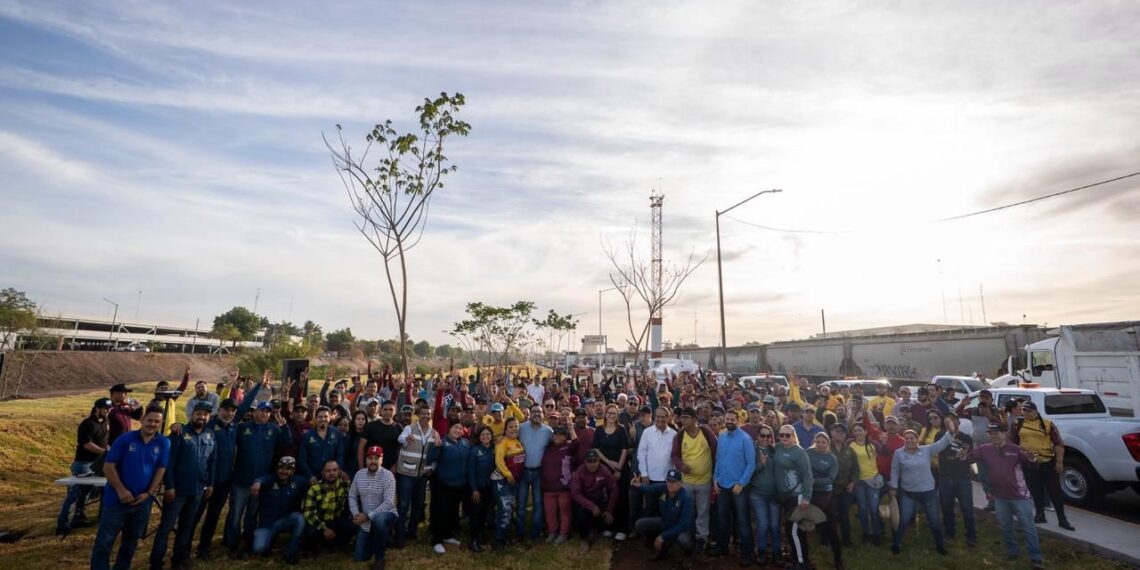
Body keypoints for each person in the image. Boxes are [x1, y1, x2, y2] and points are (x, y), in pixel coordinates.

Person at [90, 408, 170, 570]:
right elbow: (108, 467)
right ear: (142, 420)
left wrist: (149, 493)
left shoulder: (163, 442)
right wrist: (121, 490)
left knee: (131, 542)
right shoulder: (125, 439)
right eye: (150, 420)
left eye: (156, 421)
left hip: (142, 503)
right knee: (105, 542)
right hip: (116, 502)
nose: (152, 424)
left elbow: (161, 468)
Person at [965, 423, 1046, 570]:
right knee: (1006, 527)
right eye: (991, 433)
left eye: (996, 432)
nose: (993, 435)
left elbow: (1031, 465)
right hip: (999, 497)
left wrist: (1033, 459)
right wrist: (963, 455)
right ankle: (1012, 551)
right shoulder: (984, 449)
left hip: (1019, 496)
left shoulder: (1016, 450)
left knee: (1028, 527)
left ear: (1004, 433)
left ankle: (1036, 558)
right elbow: (969, 458)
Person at [227, 379, 292, 558]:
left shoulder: (273, 429)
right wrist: (256, 387)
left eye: (267, 411)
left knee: (251, 516)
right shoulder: (243, 428)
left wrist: (284, 426)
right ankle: (232, 545)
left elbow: (287, 443)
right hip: (240, 480)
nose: (265, 414)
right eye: (262, 410)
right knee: (235, 515)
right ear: (255, 412)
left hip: (260, 482)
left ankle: (247, 544)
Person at [149, 401, 217, 570]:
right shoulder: (179, 433)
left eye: (205, 414)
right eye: (199, 413)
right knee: (166, 527)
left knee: (187, 526)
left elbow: (212, 461)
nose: (202, 417)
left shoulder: (210, 435)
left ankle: (178, 561)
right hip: (177, 491)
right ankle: (156, 563)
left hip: (198, 491)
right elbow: (169, 463)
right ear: (192, 414)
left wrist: (210, 484)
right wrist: (170, 486)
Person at [1011, 401, 1075, 531]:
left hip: (1047, 461)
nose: (1026, 413)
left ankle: (1062, 519)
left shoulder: (1047, 424)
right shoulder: (1018, 423)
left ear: (1035, 411)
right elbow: (1013, 442)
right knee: (1035, 489)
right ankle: (1040, 515)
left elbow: (1058, 444)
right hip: (1029, 462)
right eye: (1024, 410)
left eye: (1029, 410)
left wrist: (1059, 462)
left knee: (1054, 491)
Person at [888, 428, 953, 555]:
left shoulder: (926, 450)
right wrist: (893, 487)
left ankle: (940, 546)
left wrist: (950, 432)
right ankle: (896, 544)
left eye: (912, 438)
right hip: (909, 494)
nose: (909, 440)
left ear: (917, 439)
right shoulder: (899, 453)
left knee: (934, 521)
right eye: (906, 438)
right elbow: (894, 470)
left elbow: (941, 444)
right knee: (904, 520)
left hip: (928, 493)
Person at [57, 397, 111, 535]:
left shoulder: (106, 421)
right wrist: (104, 452)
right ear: (97, 409)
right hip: (83, 463)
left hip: (99, 463)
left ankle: (79, 517)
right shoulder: (86, 424)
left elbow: (104, 440)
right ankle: (62, 522)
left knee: (88, 494)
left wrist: (109, 450)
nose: (108, 411)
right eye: (105, 408)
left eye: (110, 409)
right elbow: (87, 444)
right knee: (75, 493)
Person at [710, 407, 756, 565]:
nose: (729, 422)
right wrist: (715, 478)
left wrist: (741, 483)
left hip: (739, 487)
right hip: (722, 485)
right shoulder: (721, 436)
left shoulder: (745, 439)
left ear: (738, 421)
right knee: (722, 518)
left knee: (743, 520)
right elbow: (718, 459)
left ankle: (746, 552)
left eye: (732, 419)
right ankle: (723, 547)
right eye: (727, 419)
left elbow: (751, 464)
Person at [670, 406, 717, 551]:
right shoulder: (679, 436)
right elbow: (674, 455)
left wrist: (715, 476)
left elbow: (716, 453)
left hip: (704, 481)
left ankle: (702, 537)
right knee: (688, 510)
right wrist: (681, 466)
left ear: (695, 419)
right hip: (687, 482)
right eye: (682, 418)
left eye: (686, 418)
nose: (683, 420)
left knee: (703, 511)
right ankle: (688, 535)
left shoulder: (706, 433)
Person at [394, 403, 440, 546]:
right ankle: (400, 535)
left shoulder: (434, 433)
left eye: (428, 414)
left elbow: (435, 453)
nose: (426, 416)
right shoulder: (409, 428)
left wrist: (432, 467)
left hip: (422, 475)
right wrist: (405, 440)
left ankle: (412, 532)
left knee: (418, 504)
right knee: (403, 505)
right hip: (406, 473)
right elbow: (400, 439)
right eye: (423, 413)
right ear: (418, 415)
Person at [250, 456, 308, 564]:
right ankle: (270, 540)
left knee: (299, 518)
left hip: (286, 521)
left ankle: (290, 552)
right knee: (260, 548)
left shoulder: (299, 482)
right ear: (277, 469)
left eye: (288, 469)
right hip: (267, 523)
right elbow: (261, 479)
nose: (284, 471)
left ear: (293, 471)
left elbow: (312, 484)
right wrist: (257, 482)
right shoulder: (269, 479)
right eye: (281, 468)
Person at [350, 446, 398, 570]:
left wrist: (367, 516)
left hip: (386, 514)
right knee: (360, 557)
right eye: (370, 458)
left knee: (379, 520)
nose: (373, 461)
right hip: (364, 519)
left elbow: (389, 503)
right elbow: (352, 496)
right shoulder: (359, 475)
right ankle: (380, 538)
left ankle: (380, 558)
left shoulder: (388, 476)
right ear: (366, 460)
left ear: (382, 460)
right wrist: (356, 514)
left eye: (376, 458)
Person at [772, 425, 812, 570]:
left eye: (788, 435)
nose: (784, 438)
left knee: (794, 529)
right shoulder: (776, 448)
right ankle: (798, 558)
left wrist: (806, 498)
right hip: (783, 495)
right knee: (792, 529)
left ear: (794, 436)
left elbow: (807, 476)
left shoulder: (800, 453)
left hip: (797, 495)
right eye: (781, 435)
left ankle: (801, 563)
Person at [632, 468, 694, 561]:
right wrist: (639, 485)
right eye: (668, 481)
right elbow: (649, 489)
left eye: (673, 482)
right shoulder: (663, 488)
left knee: (684, 540)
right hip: (665, 523)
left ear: (681, 483)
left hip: (680, 528)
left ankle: (687, 555)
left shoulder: (686, 498)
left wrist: (663, 536)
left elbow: (683, 525)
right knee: (640, 524)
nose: (670, 484)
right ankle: (660, 547)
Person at [632, 407, 676, 533]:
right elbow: (641, 454)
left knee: (665, 510)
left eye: (663, 416)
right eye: (658, 416)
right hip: (650, 479)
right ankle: (649, 538)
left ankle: (664, 537)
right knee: (650, 509)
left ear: (668, 418)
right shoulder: (647, 432)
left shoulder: (674, 434)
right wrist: (644, 474)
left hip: (667, 481)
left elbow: (675, 457)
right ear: (654, 417)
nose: (660, 419)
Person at [592, 404, 632, 539]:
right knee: (608, 497)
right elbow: (596, 449)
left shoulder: (621, 430)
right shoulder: (599, 430)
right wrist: (608, 462)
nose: (611, 416)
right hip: (605, 468)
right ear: (605, 414)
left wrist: (619, 468)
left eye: (614, 413)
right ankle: (609, 527)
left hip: (621, 468)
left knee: (621, 498)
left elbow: (625, 450)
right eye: (609, 413)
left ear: (617, 416)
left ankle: (622, 529)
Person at [430, 422, 470, 554]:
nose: (458, 430)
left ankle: (448, 536)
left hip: (460, 485)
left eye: (460, 428)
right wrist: (435, 447)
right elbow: (431, 458)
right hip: (444, 484)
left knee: (453, 512)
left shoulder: (465, 443)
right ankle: (437, 541)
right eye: (455, 428)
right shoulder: (442, 442)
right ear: (449, 429)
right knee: (441, 513)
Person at [807, 432, 845, 570]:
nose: (821, 445)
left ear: (828, 444)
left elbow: (831, 478)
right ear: (814, 442)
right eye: (818, 442)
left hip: (825, 495)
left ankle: (838, 559)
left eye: (823, 442)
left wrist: (815, 481)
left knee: (832, 528)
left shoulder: (832, 458)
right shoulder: (808, 453)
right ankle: (803, 558)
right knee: (803, 526)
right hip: (809, 493)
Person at [937, 414, 977, 547]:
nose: (950, 423)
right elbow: (940, 452)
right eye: (946, 421)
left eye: (952, 420)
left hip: (962, 478)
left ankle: (971, 535)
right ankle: (949, 533)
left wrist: (963, 456)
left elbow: (968, 454)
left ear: (958, 421)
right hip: (945, 477)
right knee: (947, 508)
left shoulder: (966, 438)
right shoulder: (940, 435)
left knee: (967, 508)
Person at [517, 403, 553, 543]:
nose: (537, 414)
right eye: (534, 411)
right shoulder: (521, 428)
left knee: (538, 505)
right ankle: (520, 534)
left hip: (539, 472)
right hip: (523, 471)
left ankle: (535, 534)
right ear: (530, 414)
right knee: (521, 505)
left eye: (539, 411)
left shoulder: (548, 431)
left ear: (543, 414)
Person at [570, 448, 618, 552]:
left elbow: (614, 489)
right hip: (584, 499)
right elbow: (575, 493)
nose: (592, 464)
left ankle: (597, 530)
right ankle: (584, 538)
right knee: (582, 513)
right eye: (589, 461)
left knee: (609, 516)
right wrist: (591, 506)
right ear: (585, 462)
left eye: (595, 461)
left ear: (599, 461)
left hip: (599, 498)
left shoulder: (604, 470)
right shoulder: (579, 471)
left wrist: (609, 510)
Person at [302, 460, 353, 556]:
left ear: (339, 472)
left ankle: (339, 544)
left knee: (350, 526)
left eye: (334, 470)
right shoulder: (314, 489)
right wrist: (324, 529)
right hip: (319, 522)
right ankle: (314, 547)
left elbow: (353, 496)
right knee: (311, 532)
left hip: (335, 520)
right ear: (323, 473)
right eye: (328, 471)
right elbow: (309, 514)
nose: (332, 473)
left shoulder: (344, 485)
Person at [492, 417, 526, 550]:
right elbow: (499, 461)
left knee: (510, 508)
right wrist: (508, 474)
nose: (514, 429)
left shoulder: (518, 441)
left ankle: (506, 536)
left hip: (514, 481)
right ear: (505, 429)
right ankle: (498, 540)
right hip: (501, 480)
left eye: (516, 426)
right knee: (504, 509)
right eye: (510, 427)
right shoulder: (502, 442)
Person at [541, 425, 578, 544]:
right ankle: (552, 532)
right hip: (548, 487)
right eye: (555, 434)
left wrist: (571, 427)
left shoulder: (568, 446)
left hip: (564, 487)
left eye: (561, 434)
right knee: (550, 512)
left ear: (565, 436)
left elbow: (576, 443)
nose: (557, 436)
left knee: (565, 511)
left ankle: (563, 534)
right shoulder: (547, 448)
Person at [750, 425, 781, 567]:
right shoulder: (752, 450)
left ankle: (776, 552)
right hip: (758, 494)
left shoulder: (775, 451)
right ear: (757, 436)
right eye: (762, 435)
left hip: (774, 494)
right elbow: (748, 472)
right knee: (763, 524)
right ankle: (761, 550)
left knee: (775, 525)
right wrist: (761, 464)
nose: (765, 438)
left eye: (768, 436)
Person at [828, 422, 857, 549]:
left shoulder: (850, 450)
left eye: (842, 431)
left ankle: (847, 541)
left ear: (846, 435)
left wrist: (853, 482)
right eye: (836, 430)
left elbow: (856, 469)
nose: (839, 433)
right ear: (831, 433)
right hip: (831, 488)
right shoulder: (825, 447)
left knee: (844, 514)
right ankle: (828, 539)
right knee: (831, 514)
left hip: (846, 488)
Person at [299, 406, 347, 483]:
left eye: (325, 416)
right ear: (316, 418)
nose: (323, 419)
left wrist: (338, 470)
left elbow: (340, 455)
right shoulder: (307, 436)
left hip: (333, 476)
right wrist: (310, 475)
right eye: (320, 417)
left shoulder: (336, 433)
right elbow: (302, 460)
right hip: (313, 477)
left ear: (330, 418)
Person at [467, 424, 496, 552]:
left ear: (491, 436)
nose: (485, 436)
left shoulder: (494, 450)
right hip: (477, 488)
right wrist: (474, 489)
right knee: (476, 515)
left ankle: (481, 536)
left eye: (487, 434)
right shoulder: (474, 451)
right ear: (479, 437)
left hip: (489, 487)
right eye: (483, 434)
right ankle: (473, 540)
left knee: (485, 513)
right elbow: (471, 472)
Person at [360, 401, 402, 472]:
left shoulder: (399, 428)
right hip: (371, 467)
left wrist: (396, 465)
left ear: (395, 411)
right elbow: (361, 447)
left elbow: (400, 450)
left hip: (390, 469)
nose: (388, 412)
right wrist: (361, 468)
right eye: (385, 409)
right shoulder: (371, 426)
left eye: (391, 409)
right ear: (380, 410)